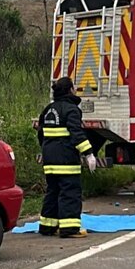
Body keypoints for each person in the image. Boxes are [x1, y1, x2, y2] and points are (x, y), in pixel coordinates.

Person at [37, 76, 99, 238]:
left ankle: (47, 226)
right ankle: (70, 228)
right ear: (69, 89)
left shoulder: (48, 109)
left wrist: (46, 152)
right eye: (74, 86)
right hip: (66, 160)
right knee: (70, 193)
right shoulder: (71, 110)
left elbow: (41, 134)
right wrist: (89, 153)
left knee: (53, 191)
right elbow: (76, 134)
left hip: (50, 161)